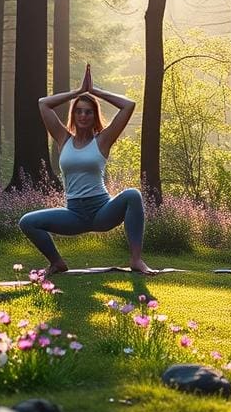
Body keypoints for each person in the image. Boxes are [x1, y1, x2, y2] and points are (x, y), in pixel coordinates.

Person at [18, 64, 154, 276]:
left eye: (88, 112)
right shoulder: (64, 139)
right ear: (74, 115)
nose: (83, 115)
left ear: (94, 115)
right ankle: (57, 263)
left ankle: (136, 260)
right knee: (27, 222)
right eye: (79, 111)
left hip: (102, 211)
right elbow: (43, 104)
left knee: (132, 195)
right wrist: (78, 92)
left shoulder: (103, 140)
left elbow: (129, 105)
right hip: (74, 214)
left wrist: (95, 91)